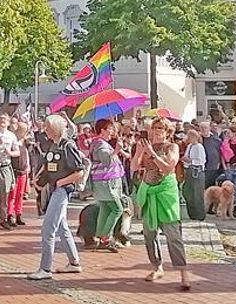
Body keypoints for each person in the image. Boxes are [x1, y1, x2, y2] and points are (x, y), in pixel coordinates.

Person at [132, 118, 191, 289]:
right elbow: (135, 167)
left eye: (161, 128)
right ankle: (157, 266)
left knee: (173, 235)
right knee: (149, 234)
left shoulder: (172, 147)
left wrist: (152, 153)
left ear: (167, 131)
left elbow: (168, 168)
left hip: (165, 193)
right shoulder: (143, 145)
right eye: (155, 128)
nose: (157, 131)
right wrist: (139, 153)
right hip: (148, 190)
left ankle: (183, 274)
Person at [28, 114, 86, 280]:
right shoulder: (53, 145)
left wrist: (61, 182)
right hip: (54, 188)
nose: (45, 130)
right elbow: (49, 167)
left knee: (48, 228)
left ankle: (45, 268)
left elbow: (79, 172)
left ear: (56, 129)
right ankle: (74, 262)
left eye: (48, 127)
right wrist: (40, 181)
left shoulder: (68, 146)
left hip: (61, 190)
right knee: (62, 227)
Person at [88, 118, 126, 251]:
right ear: (102, 130)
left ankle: (99, 235)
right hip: (105, 181)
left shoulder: (100, 143)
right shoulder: (100, 144)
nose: (111, 131)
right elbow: (106, 160)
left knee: (105, 208)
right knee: (117, 208)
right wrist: (116, 150)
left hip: (104, 181)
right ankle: (106, 237)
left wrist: (119, 150)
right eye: (109, 128)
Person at [6, 122, 32, 227]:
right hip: (15, 170)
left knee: (20, 194)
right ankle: (9, 214)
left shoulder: (26, 143)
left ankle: (18, 214)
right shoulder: (13, 141)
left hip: (23, 171)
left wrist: (28, 166)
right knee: (13, 194)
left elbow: (27, 155)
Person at [182, 129, 206, 221]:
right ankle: (192, 213)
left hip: (196, 171)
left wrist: (190, 160)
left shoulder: (199, 147)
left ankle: (199, 215)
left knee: (197, 194)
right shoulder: (190, 146)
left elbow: (202, 160)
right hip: (189, 170)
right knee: (188, 193)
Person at [200, 122, 224, 190]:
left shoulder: (216, 140)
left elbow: (220, 152)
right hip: (201, 167)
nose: (204, 129)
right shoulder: (198, 140)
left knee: (211, 188)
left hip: (213, 167)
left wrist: (219, 163)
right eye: (202, 128)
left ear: (209, 128)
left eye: (205, 127)